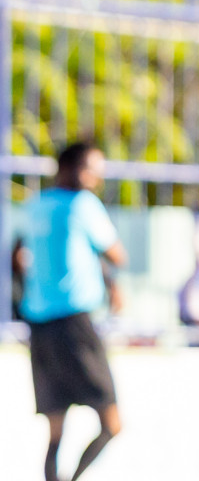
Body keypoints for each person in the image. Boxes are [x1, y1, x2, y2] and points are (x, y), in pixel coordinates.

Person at [11, 141, 126, 481]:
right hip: (75, 324)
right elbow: (116, 255)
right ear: (71, 167)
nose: (96, 178)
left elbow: (17, 255)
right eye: (92, 170)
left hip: (39, 325)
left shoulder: (34, 205)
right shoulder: (82, 205)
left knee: (56, 430)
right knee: (112, 423)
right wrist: (112, 281)